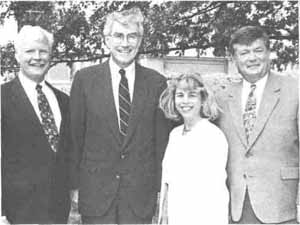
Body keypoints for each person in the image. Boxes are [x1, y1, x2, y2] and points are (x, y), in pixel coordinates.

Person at [69, 7, 172, 224]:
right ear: (106, 39)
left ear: (140, 40)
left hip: (139, 198)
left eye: (131, 36)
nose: (125, 43)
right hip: (96, 195)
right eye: (118, 36)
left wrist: (160, 190)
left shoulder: (156, 83)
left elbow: (161, 143)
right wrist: (75, 185)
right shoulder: (84, 80)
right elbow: (75, 137)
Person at [216, 26, 299, 224]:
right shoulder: (221, 97)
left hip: (283, 210)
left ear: (269, 53)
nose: (251, 58)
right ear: (234, 59)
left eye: (258, 50)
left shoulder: (295, 91)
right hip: (236, 210)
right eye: (244, 53)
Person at [1, 25, 71, 224]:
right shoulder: (2, 98)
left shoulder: (63, 101)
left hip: (57, 212)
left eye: (43, 51)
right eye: (30, 51)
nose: (37, 57)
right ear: (17, 56)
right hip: (16, 214)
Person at [158, 73, 229, 225]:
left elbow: (215, 194)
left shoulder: (213, 136)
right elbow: (168, 183)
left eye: (192, 95)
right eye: (180, 95)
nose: (185, 101)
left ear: (203, 100)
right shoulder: (175, 134)